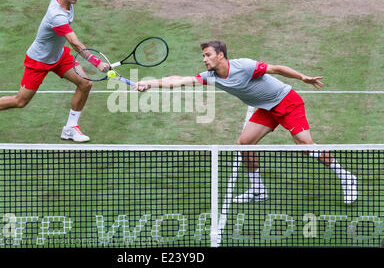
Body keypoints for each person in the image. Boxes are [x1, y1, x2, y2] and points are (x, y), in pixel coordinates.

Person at [136, 40, 358, 204]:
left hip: (287, 102)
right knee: (244, 143)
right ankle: (258, 189)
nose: (204, 59)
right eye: (203, 56)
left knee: (305, 146)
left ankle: (347, 177)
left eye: (208, 55)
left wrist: (302, 77)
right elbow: (179, 80)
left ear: (221, 55)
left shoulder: (244, 66)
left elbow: (276, 68)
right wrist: (150, 83)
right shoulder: (211, 77)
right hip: (266, 109)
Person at [0, 0, 128, 142]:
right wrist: (97, 62)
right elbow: (74, 42)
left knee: (85, 83)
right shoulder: (57, 16)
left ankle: (70, 128)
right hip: (39, 61)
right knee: (20, 101)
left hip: (58, 55)